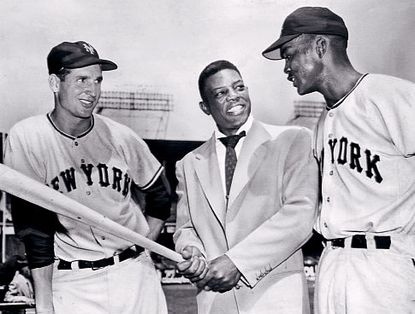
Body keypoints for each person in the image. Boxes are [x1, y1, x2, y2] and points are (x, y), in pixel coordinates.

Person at [262, 6, 415, 314]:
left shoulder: (391, 96)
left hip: (384, 265)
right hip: (332, 263)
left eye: (290, 54)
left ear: (320, 47)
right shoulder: (323, 122)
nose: (286, 67)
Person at [4, 41, 170, 314]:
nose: (92, 91)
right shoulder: (28, 137)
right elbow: (35, 229)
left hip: (134, 276)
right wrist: (44, 304)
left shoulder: (121, 136)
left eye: (97, 80)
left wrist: (145, 249)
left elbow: (160, 196)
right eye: (81, 79)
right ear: (55, 83)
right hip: (73, 282)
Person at [173, 60, 319, 313]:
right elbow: (186, 227)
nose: (233, 97)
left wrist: (237, 262)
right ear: (205, 107)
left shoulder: (293, 139)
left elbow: (301, 215)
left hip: (277, 298)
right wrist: (192, 251)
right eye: (221, 93)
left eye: (239, 87)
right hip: (216, 301)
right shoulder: (188, 163)